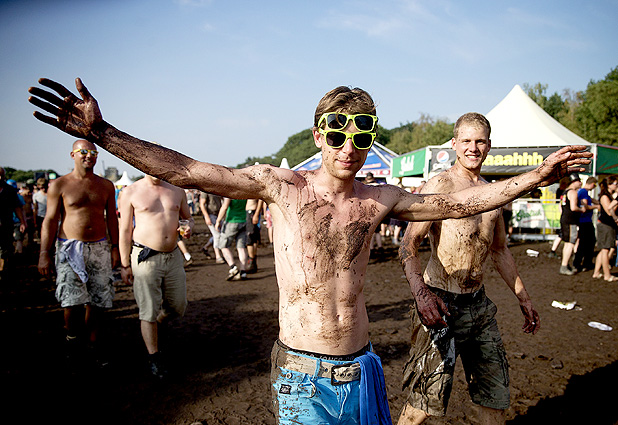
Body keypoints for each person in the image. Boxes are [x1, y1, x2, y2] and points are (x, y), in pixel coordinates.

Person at [28, 78, 590, 424]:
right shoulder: (281, 186)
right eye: (336, 134)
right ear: (319, 135)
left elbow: (465, 203)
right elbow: (186, 169)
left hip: (363, 366)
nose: (349, 147)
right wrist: (104, 134)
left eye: (360, 136)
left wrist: (536, 175)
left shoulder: (380, 198)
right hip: (302, 372)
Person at [397, 113, 541, 425]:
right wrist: (421, 295)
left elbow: (499, 250)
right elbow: (408, 244)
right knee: (424, 401)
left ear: (489, 145)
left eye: (480, 141)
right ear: (454, 144)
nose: (473, 148)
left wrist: (524, 298)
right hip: (440, 304)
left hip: (479, 306)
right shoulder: (441, 185)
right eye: (466, 141)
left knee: (495, 396)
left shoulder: (493, 193)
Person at [37, 139, 120, 368]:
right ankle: (72, 340)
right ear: (72, 154)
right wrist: (44, 252)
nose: (89, 155)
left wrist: (115, 247)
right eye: (83, 151)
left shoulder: (106, 185)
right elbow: (50, 220)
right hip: (69, 248)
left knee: (98, 301)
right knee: (71, 302)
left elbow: (112, 219)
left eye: (93, 152)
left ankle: (94, 345)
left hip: (100, 247)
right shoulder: (60, 185)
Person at [118, 174, 194, 379]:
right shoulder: (130, 192)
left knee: (178, 305)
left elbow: (188, 218)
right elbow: (124, 230)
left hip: (173, 256)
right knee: (148, 309)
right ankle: (154, 358)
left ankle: (157, 324)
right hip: (145, 257)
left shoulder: (177, 190)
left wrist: (188, 227)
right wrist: (125, 264)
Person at [0, 168, 27, 280]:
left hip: (6, 224)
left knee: (6, 249)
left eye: (2, 176)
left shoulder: (9, 190)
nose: (0, 178)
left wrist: (22, 222)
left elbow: (17, 207)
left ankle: (5, 272)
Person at [216, 197, 249, 281]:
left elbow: (225, 206)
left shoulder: (231, 193)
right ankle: (243, 271)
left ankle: (233, 267)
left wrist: (218, 221)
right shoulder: (243, 192)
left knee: (223, 246)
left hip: (231, 221)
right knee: (241, 247)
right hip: (243, 220)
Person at [592, 176, 618, 281]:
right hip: (605, 225)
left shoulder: (609, 196)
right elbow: (609, 211)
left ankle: (596, 272)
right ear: (609, 185)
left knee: (604, 250)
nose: (617, 186)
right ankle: (607, 275)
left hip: (608, 225)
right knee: (605, 250)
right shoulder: (604, 196)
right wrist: (616, 201)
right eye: (615, 184)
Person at [558, 174, 585, 275]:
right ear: (574, 181)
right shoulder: (573, 192)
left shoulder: (564, 192)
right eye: (579, 181)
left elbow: (560, 207)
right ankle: (564, 266)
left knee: (567, 243)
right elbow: (573, 207)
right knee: (570, 243)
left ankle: (565, 265)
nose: (580, 183)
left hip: (565, 219)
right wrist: (582, 209)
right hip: (571, 221)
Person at [573, 177, 599, 272]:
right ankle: (583, 263)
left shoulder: (583, 192)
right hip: (585, 221)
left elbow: (590, 200)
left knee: (585, 242)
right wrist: (597, 206)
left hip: (584, 221)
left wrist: (597, 202)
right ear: (592, 184)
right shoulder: (583, 192)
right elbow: (585, 206)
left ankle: (582, 262)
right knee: (588, 242)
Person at [199, 191, 225, 263]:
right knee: (217, 235)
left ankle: (205, 247)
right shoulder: (205, 191)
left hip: (218, 215)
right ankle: (218, 256)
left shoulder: (218, 189)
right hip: (211, 215)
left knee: (219, 234)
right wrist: (206, 217)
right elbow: (202, 204)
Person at [245, 198, 261, 273]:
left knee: (250, 238)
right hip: (251, 211)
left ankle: (251, 262)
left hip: (252, 211)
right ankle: (253, 262)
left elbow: (261, 199)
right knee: (253, 238)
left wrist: (256, 214)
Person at [32, 177, 48, 241]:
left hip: (49, 217)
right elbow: (35, 208)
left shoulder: (51, 194)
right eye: (41, 187)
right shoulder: (36, 195)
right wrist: (35, 220)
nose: (43, 188)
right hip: (40, 217)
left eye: (44, 186)